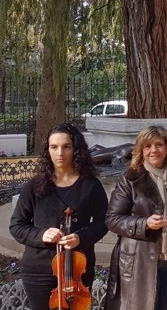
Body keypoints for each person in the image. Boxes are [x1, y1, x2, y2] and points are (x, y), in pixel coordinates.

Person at [10, 123, 108, 310]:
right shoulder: (35, 186)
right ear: (48, 149)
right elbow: (17, 226)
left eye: (66, 146)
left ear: (76, 149)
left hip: (79, 268)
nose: (60, 153)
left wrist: (81, 237)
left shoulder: (90, 185)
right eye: (54, 147)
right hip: (39, 269)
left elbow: (104, 222)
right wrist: (41, 235)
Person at [105, 126, 167, 310]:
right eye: (147, 146)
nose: (153, 150)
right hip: (141, 262)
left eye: (159, 144)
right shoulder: (130, 177)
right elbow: (113, 219)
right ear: (141, 150)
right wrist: (144, 223)